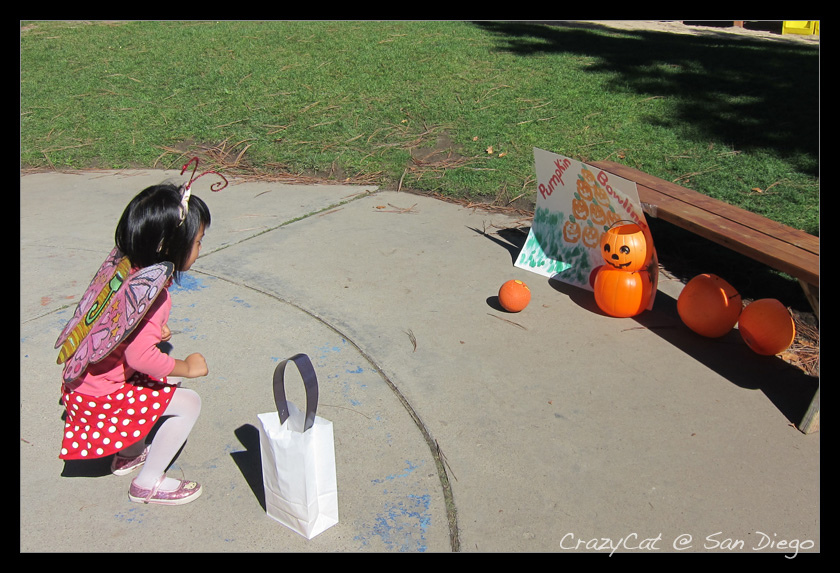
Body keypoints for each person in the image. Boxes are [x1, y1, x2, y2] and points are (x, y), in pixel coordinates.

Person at [57, 170, 220, 506]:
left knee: (148, 384)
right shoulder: (156, 294)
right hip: (102, 398)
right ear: (168, 247)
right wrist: (186, 367)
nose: (200, 247)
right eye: (198, 240)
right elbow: (140, 357)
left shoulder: (125, 266)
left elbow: (115, 320)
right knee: (188, 403)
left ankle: (129, 453)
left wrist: (148, 330)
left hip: (82, 382)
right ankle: (148, 484)